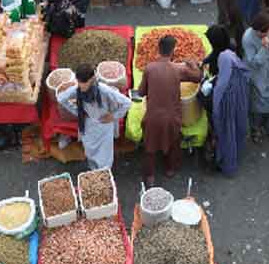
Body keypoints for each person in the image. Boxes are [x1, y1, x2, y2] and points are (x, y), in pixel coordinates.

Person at [138, 36, 201, 185]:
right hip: (173, 117)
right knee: (174, 143)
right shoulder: (178, 69)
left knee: (150, 147)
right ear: (173, 51)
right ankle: (170, 169)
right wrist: (192, 64)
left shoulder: (149, 68)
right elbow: (198, 77)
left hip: (153, 117)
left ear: (158, 50)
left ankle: (150, 176)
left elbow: (141, 93)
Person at [57, 64, 131, 169]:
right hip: (88, 124)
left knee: (104, 156)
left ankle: (104, 174)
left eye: (84, 82)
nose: (81, 86)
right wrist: (77, 111)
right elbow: (61, 98)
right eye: (79, 82)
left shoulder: (104, 90)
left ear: (92, 79)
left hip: (104, 126)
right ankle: (93, 170)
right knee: (90, 151)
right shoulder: (77, 89)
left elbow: (127, 102)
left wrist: (114, 116)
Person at [208, 26, 250, 176]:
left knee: (227, 130)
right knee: (238, 124)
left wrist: (215, 107)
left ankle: (228, 163)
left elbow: (222, 85)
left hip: (229, 97)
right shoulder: (229, 47)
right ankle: (236, 150)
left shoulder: (223, 57)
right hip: (240, 91)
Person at [242, 13, 269, 147]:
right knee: (256, 108)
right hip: (258, 78)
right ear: (256, 31)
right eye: (263, 33)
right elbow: (254, 63)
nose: (267, 35)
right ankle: (256, 129)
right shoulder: (247, 38)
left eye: (268, 31)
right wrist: (264, 48)